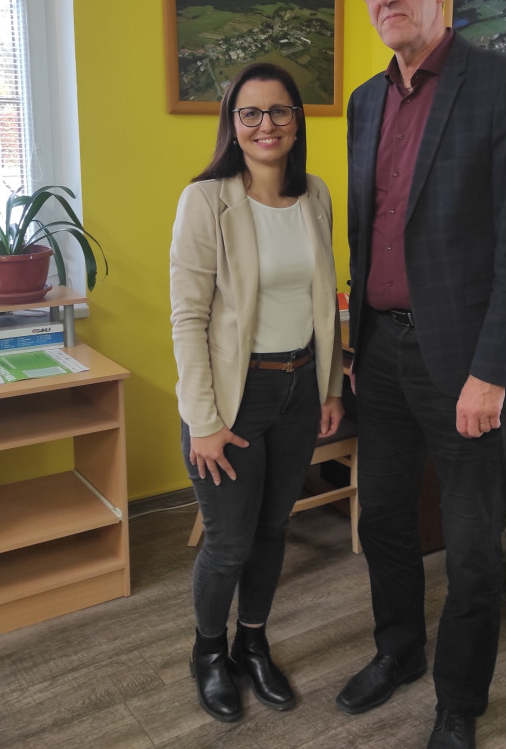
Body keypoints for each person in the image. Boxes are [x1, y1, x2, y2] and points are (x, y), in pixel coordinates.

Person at [337, 0, 506, 749]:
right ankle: (398, 651)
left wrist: (492, 372)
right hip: (381, 352)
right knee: (385, 520)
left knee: (469, 547)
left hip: (466, 361)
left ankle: (458, 701)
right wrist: (353, 346)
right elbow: (365, 235)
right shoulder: (365, 103)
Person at [170, 62, 345, 723]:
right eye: (251, 113)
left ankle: (252, 642)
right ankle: (208, 652)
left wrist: (329, 386)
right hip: (232, 400)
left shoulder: (316, 196)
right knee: (229, 542)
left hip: (299, 390)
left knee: (274, 528)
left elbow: (324, 302)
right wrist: (203, 420)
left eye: (279, 111)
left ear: (297, 120)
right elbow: (188, 317)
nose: (265, 124)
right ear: (233, 123)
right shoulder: (206, 200)